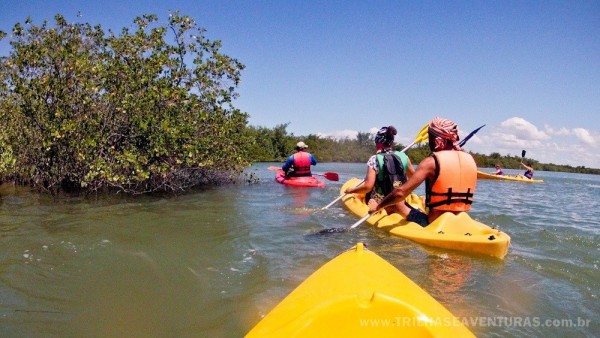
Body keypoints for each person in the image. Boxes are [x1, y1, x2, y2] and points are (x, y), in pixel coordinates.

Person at [369, 117, 477, 227]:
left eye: (430, 138)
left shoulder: (431, 162)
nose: (428, 142)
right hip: (461, 219)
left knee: (395, 204)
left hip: (433, 222)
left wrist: (378, 206)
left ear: (437, 141)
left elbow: (400, 193)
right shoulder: (471, 160)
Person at [344, 126, 415, 214]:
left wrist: (351, 190)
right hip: (399, 198)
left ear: (378, 142)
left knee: (368, 193)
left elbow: (367, 187)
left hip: (380, 201)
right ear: (392, 142)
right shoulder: (404, 157)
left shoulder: (374, 159)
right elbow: (414, 179)